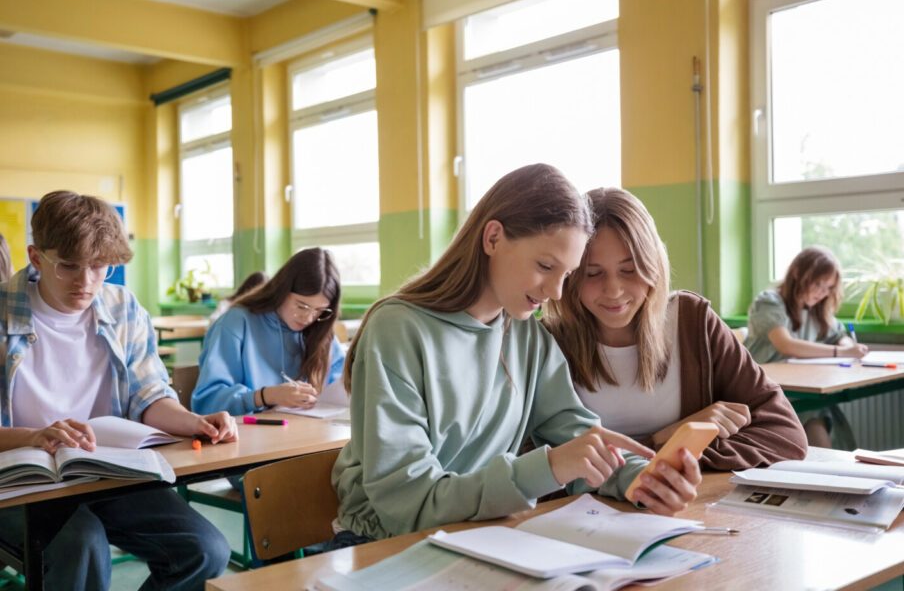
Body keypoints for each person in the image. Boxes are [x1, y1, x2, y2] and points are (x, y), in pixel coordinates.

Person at [330, 164, 702, 549]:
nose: (557, 292)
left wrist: (646, 481)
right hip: (381, 545)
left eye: (568, 274)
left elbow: (580, 438)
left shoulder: (527, 336)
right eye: (545, 266)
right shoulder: (398, 329)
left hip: (479, 537)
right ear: (493, 238)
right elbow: (407, 505)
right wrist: (548, 467)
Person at [0, 190, 236, 591]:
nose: (86, 282)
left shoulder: (122, 306)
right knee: (84, 546)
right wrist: (35, 437)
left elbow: (149, 396)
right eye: (69, 266)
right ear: (36, 257)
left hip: (104, 471)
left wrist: (193, 422)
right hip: (22, 478)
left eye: (100, 267)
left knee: (204, 549)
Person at [543, 188, 807, 471]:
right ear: (571, 276)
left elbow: (787, 436)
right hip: (585, 515)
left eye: (630, 270)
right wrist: (668, 441)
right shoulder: (546, 342)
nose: (614, 290)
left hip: (683, 509)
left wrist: (667, 461)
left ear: (653, 266)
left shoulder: (693, 321)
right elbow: (535, 466)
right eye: (593, 273)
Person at [192, 248, 345, 416]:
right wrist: (267, 396)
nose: (309, 318)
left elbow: (341, 390)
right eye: (302, 306)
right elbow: (207, 403)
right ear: (282, 290)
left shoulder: (320, 330)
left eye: (319, 310)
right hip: (247, 437)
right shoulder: (236, 323)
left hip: (307, 434)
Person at [744, 246, 867, 447]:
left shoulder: (815, 310)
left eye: (829, 288)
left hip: (798, 391)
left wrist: (849, 346)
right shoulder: (769, 302)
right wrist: (842, 352)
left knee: (819, 411)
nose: (822, 293)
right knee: (814, 413)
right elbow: (786, 345)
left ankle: (828, 472)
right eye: (819, 284)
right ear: (798, 273)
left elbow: (839, 335)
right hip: (766, 392)